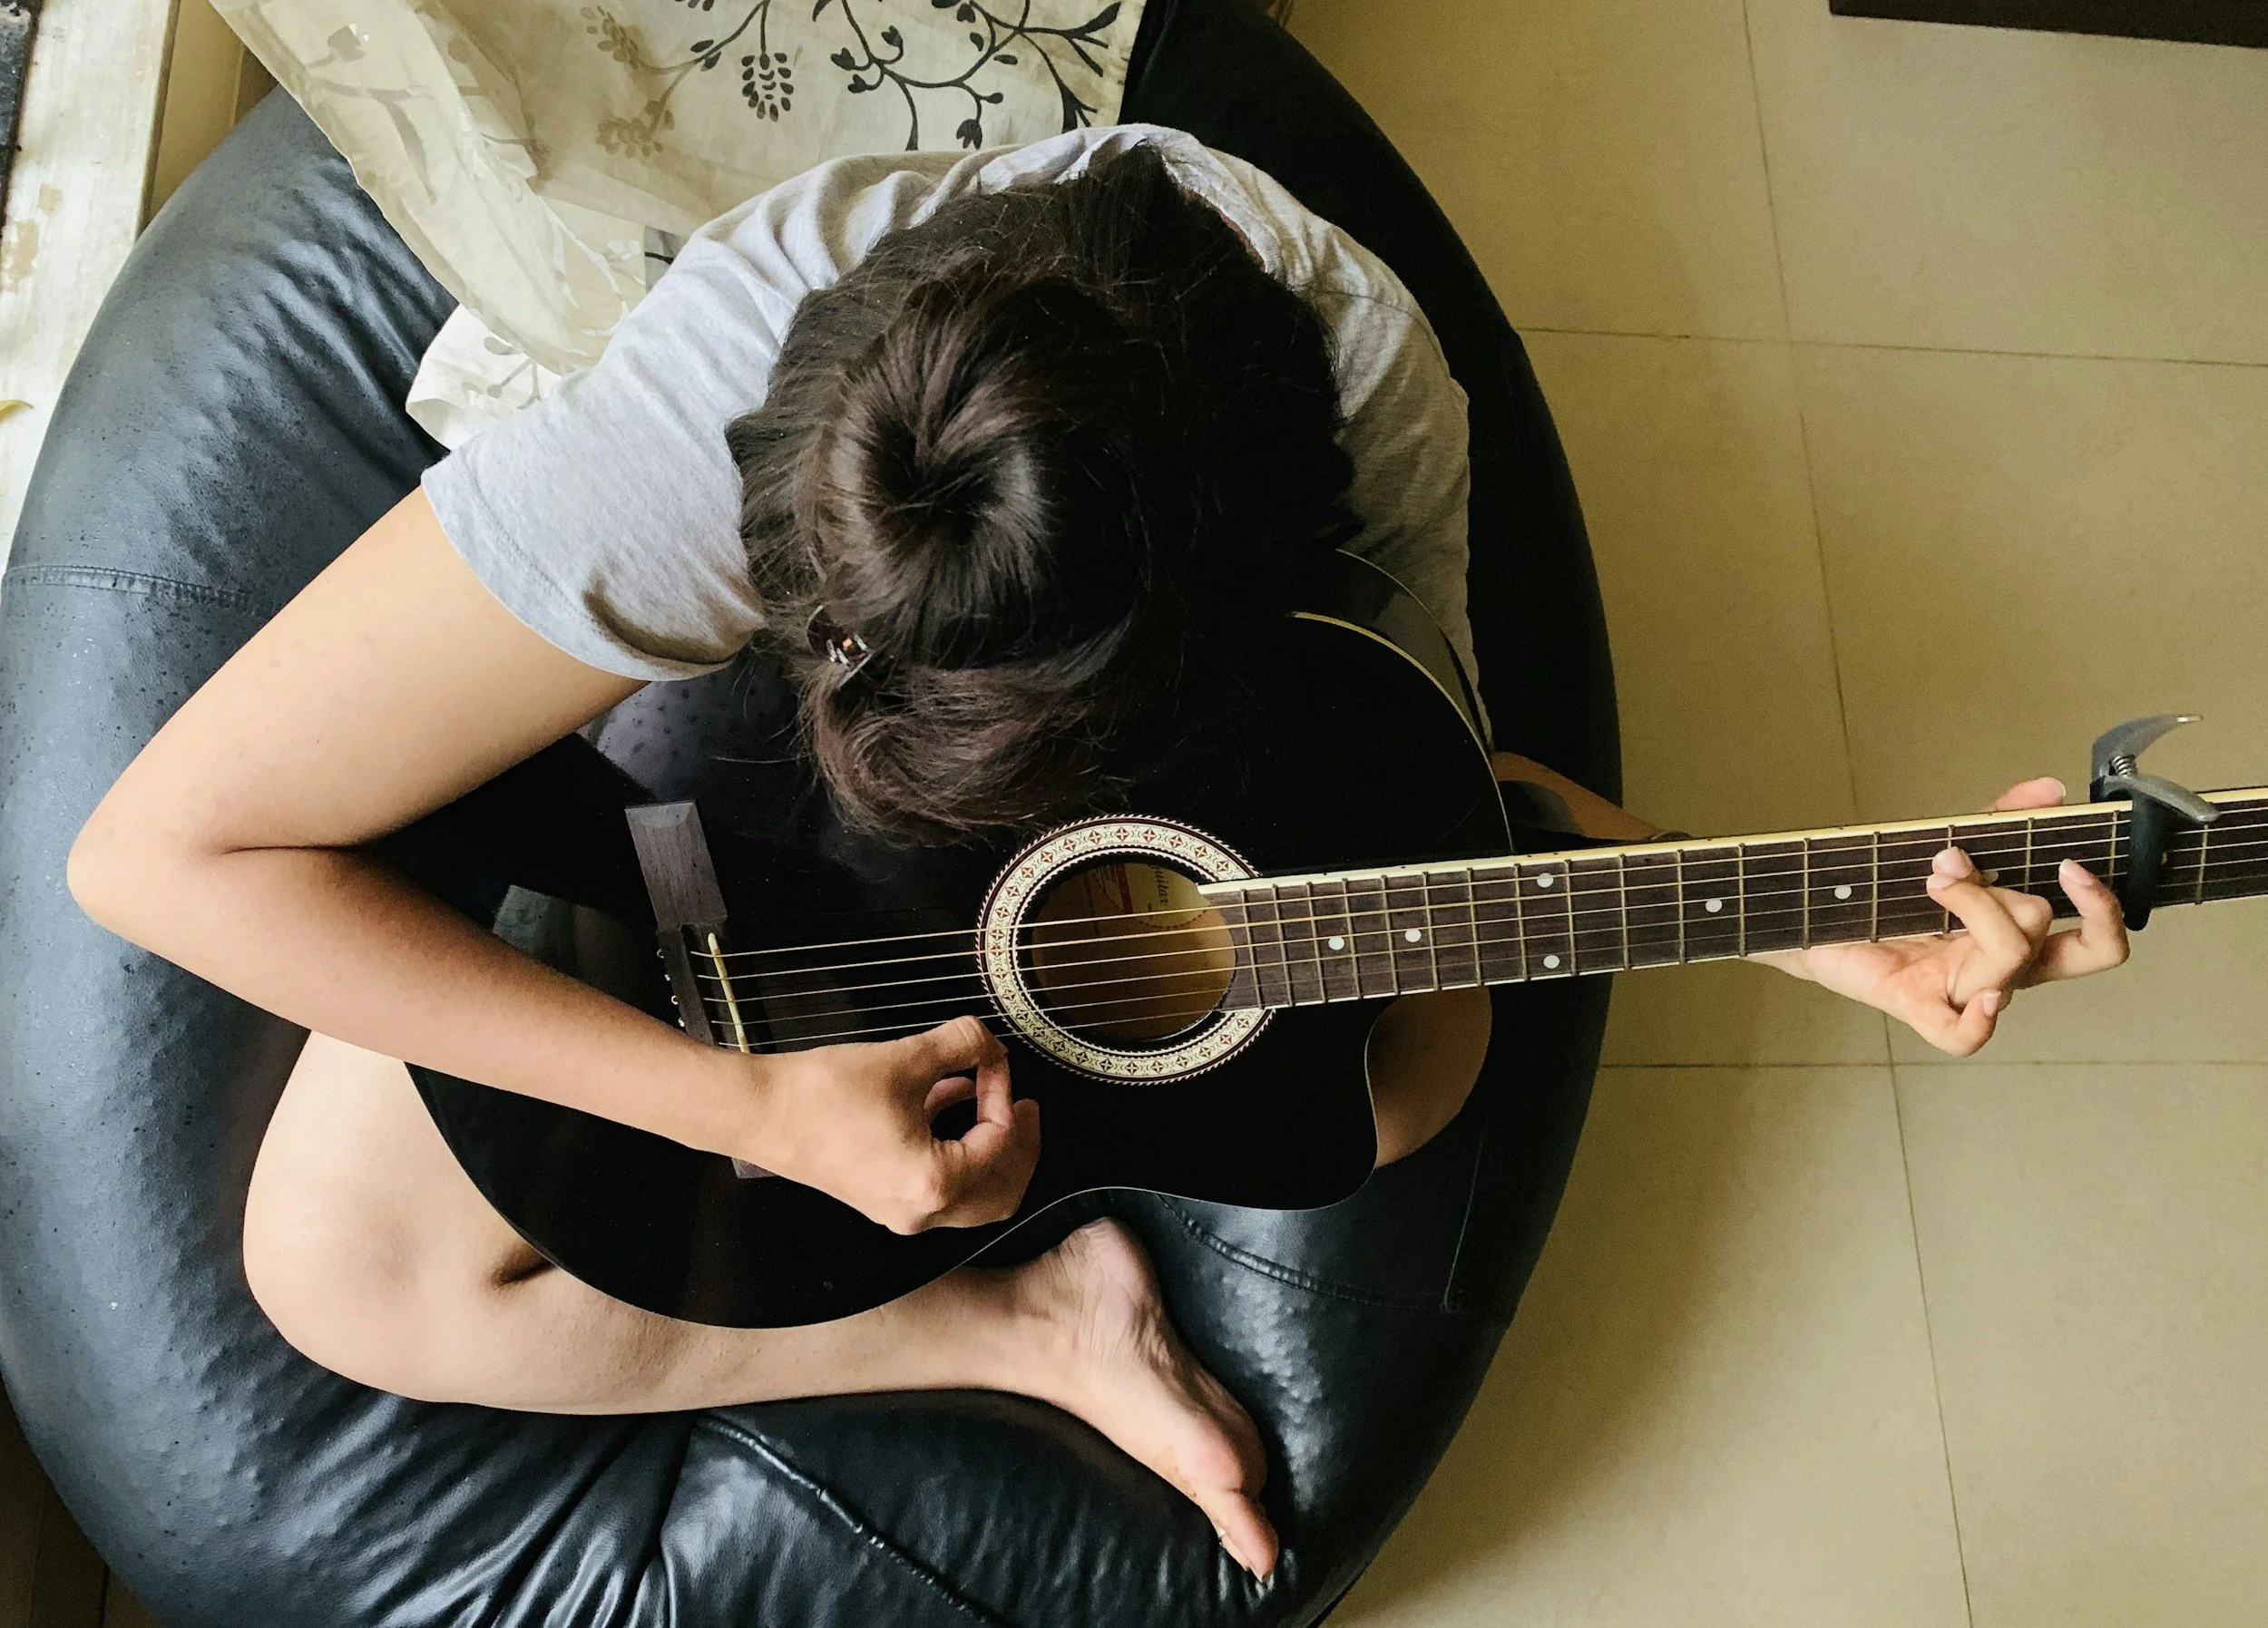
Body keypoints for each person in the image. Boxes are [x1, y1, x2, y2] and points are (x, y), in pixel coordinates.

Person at [65, 132, 2129, 1582]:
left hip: (1193, 703)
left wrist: (1814, 926)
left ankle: (1060, 1216)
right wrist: (749, 1109)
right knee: (335, 1270)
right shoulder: (720, 414)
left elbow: (1413, 783)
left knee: (1405, 1086)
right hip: (735, 888)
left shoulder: (1366, 449)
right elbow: (159, 853)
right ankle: (1010, 1321)